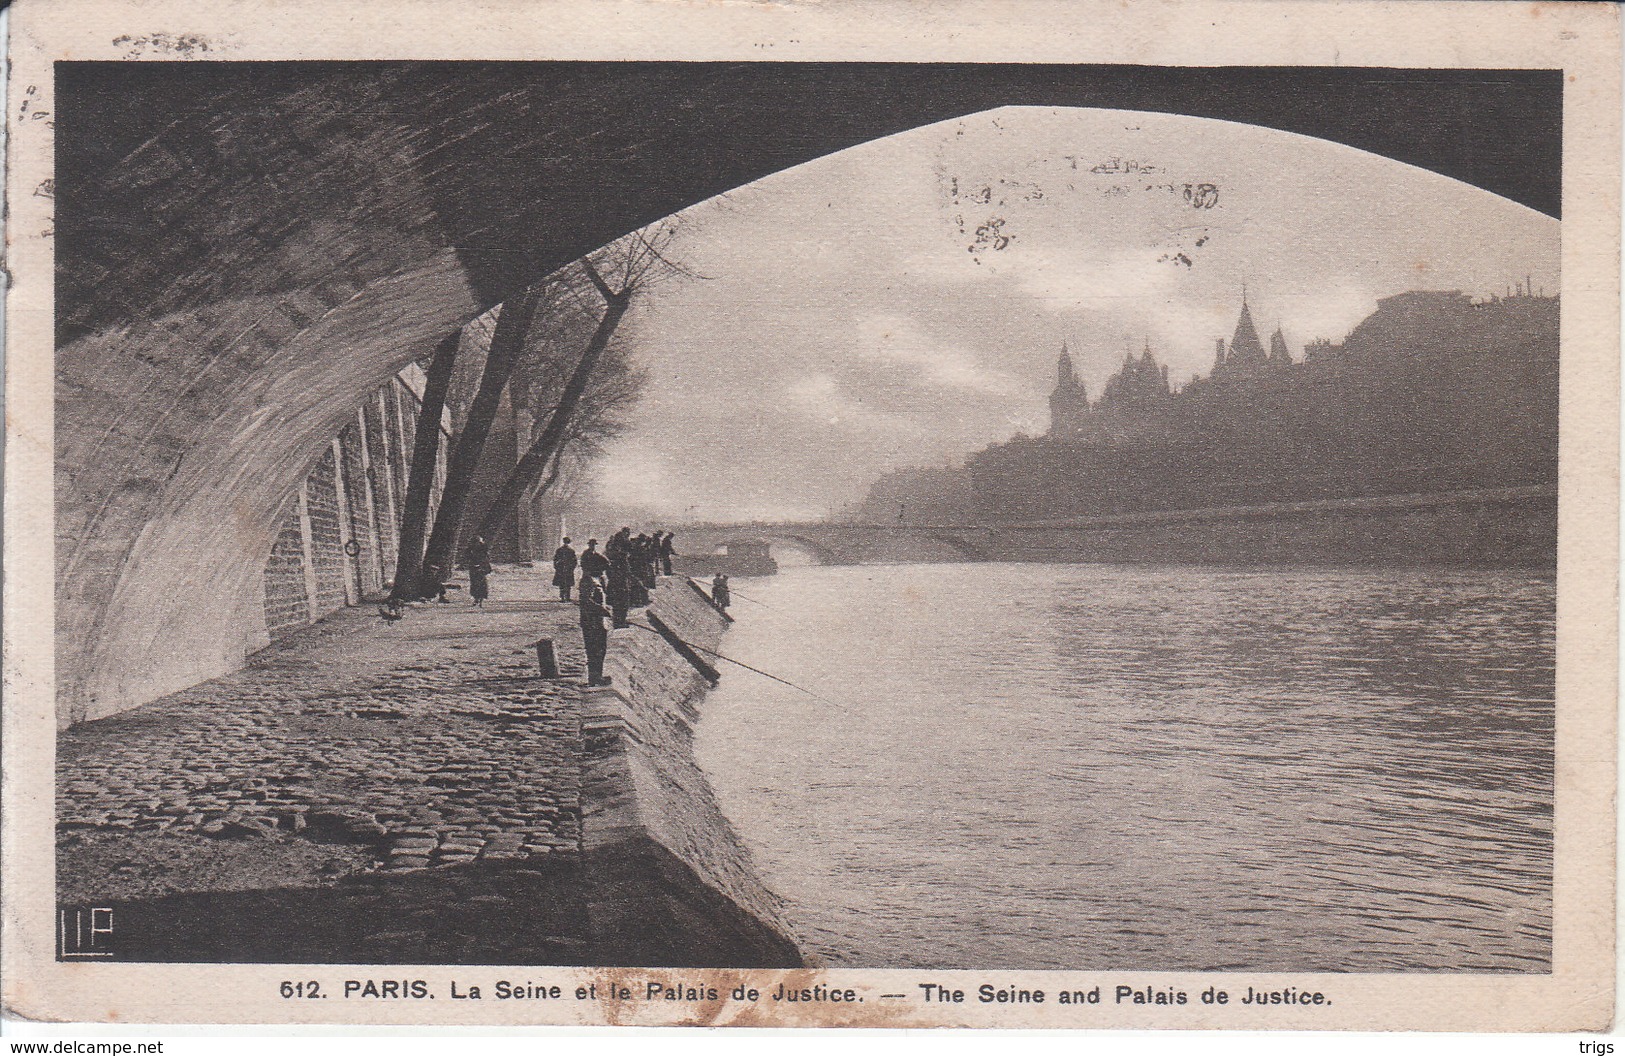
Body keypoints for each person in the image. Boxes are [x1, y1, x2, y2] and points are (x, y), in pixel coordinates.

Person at [578, 572, 613, 687]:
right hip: (591, 621)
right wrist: (601, 610)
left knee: (600, 649)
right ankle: (594, 677)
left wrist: (605, 608)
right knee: (594, 650)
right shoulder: (588, 580)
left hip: (598, 621)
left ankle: (598, 675)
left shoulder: (597, 579)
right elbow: (586, 601)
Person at [606, 548, 632, 629]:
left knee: (617, 606)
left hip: (614, 587)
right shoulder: (624, 564)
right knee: (623, 605)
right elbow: (628, 574)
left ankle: (617, 622)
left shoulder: (613, 564)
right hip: (621, 587)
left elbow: (609, 574)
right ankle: (621, 623)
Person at [466, 536, 492, 607]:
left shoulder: (484, 550)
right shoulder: (471, 550)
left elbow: (486, 560)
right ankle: (476, 599)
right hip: (474, 569)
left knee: (482, 584)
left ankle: (481, 600)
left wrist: (484, 567)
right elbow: (468, 557)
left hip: (481, 569)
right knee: (474, 584)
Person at [552, 537, 578, 602]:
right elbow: (555, 559)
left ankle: (566, 597)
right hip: (562, 569)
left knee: (566, 584)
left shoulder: (569, 551)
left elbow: (574, 561)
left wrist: (572, 568)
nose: (566, 544)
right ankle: (563, 597)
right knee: (563, 583)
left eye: (567, 542)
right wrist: (557, 567)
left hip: (566, 569)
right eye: (565, 542)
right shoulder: (561, 550)